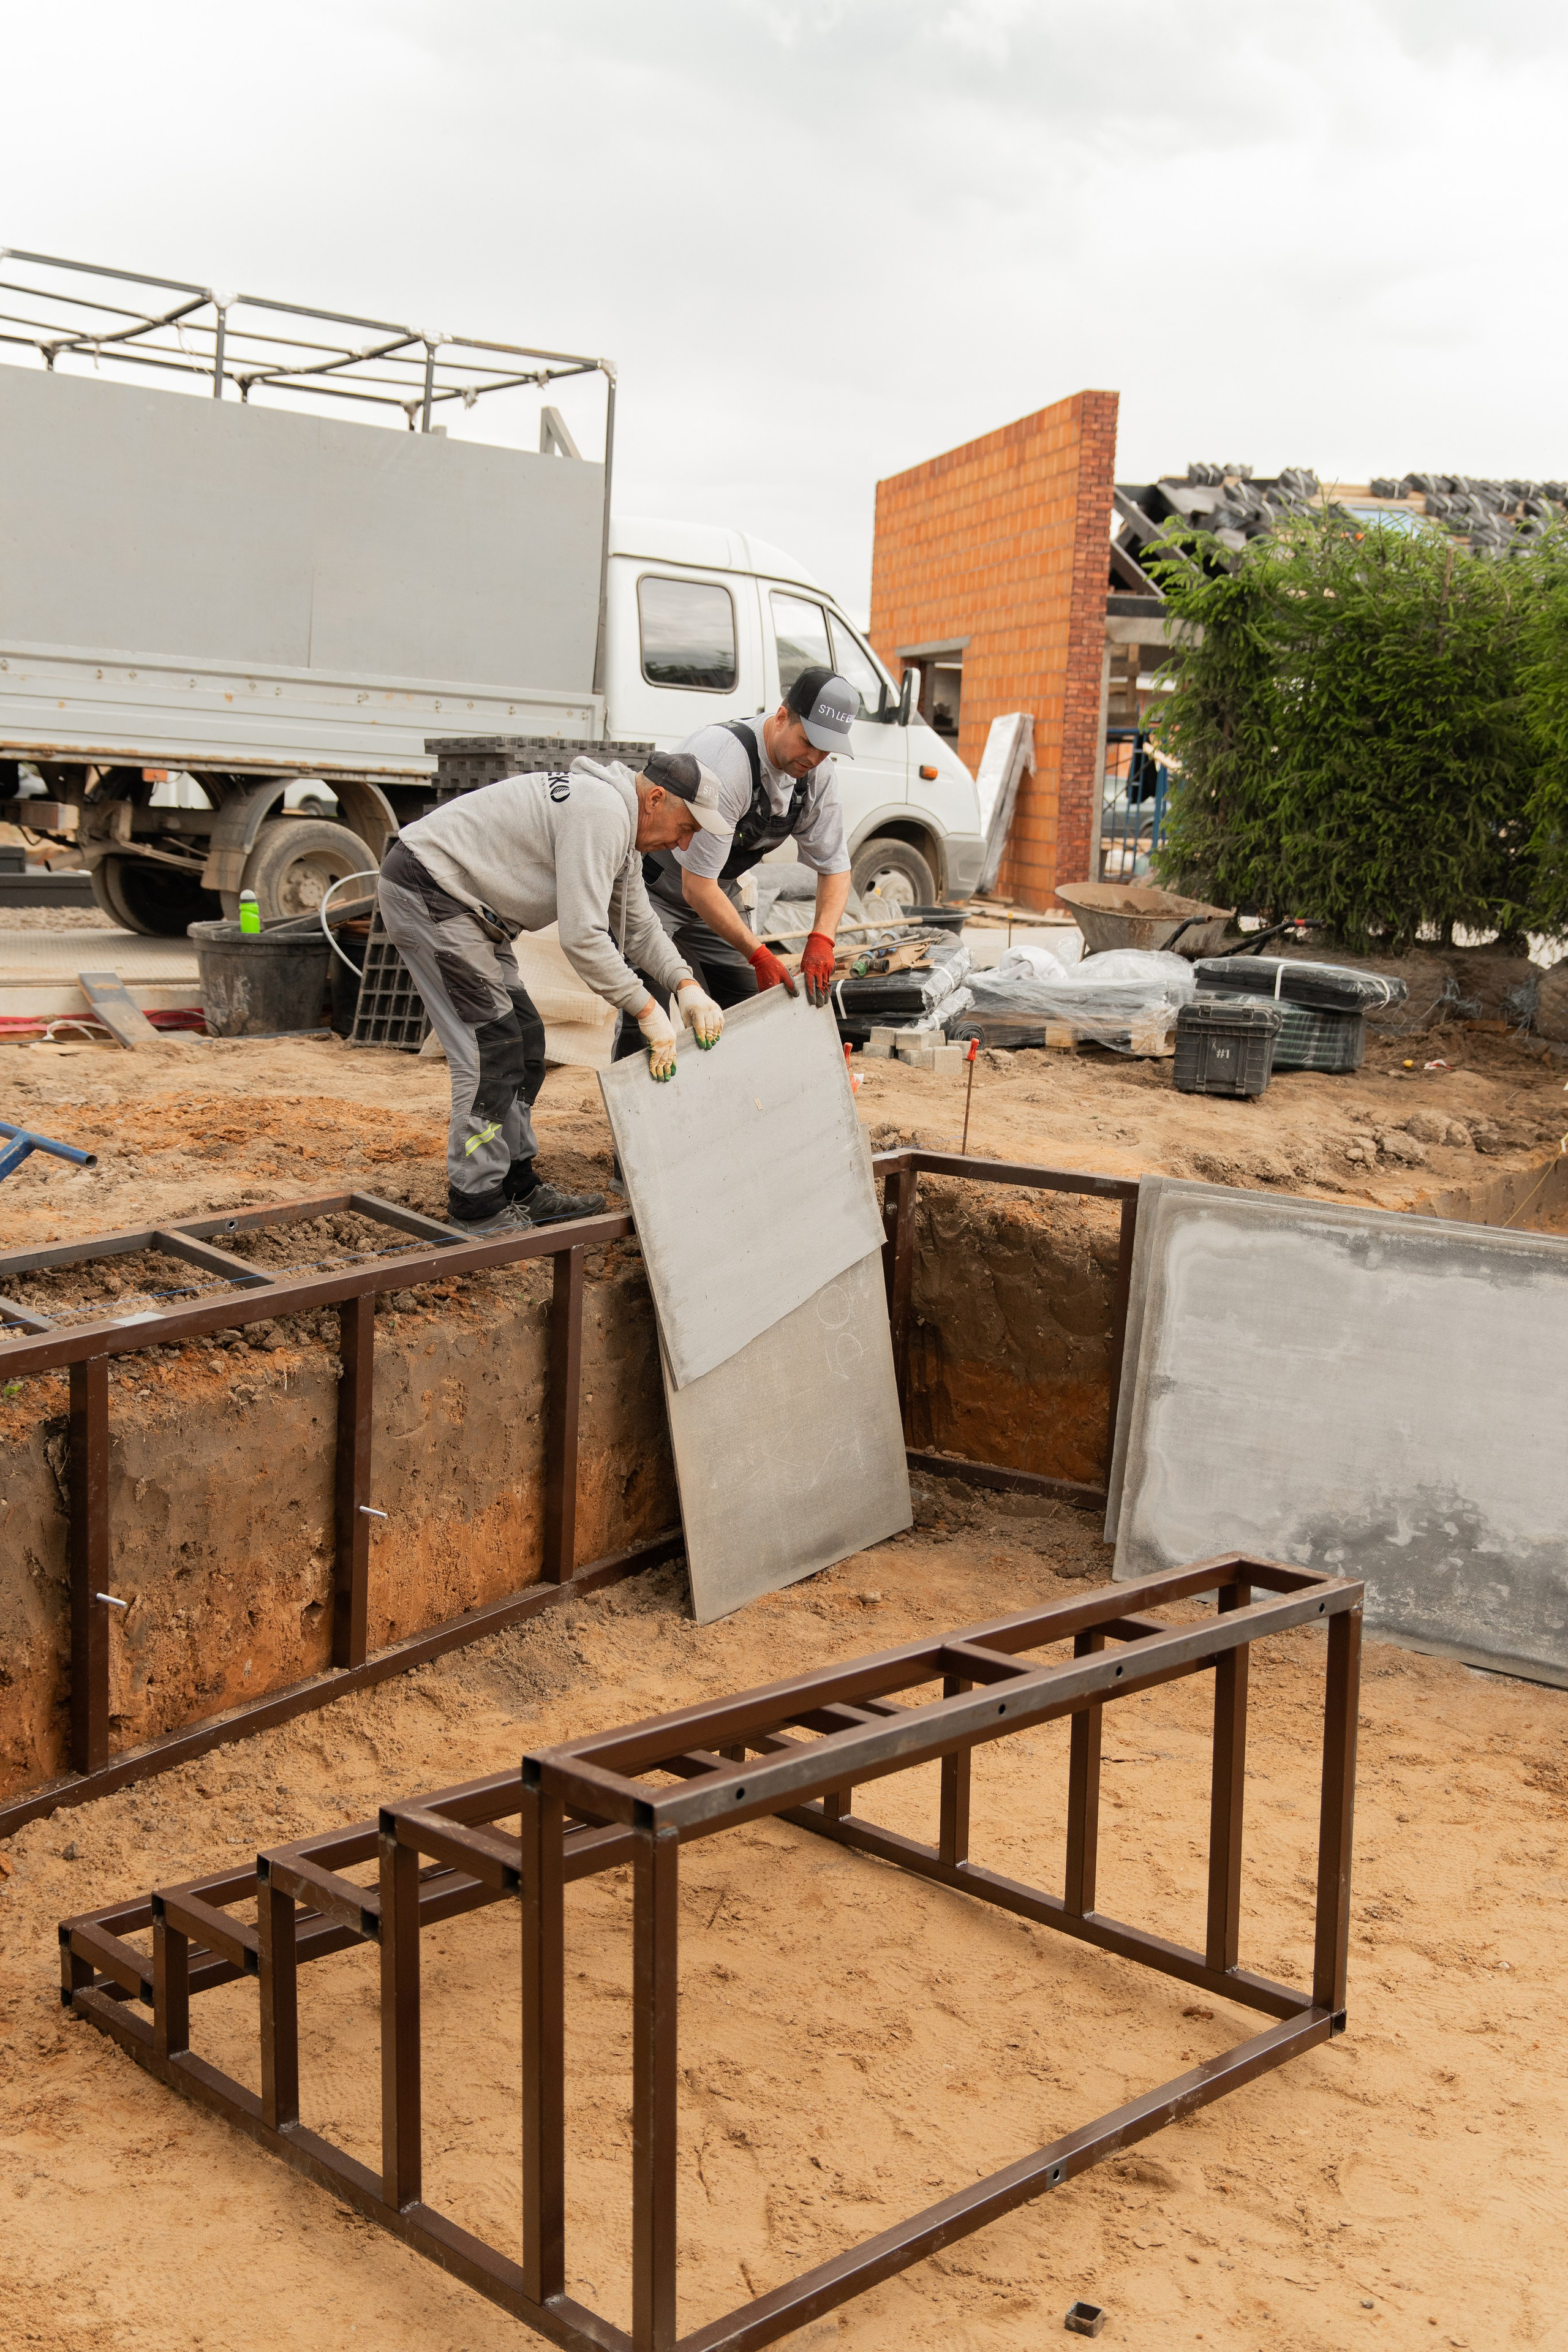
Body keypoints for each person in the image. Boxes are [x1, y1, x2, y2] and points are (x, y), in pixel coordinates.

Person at [380, 751, 731, 1237]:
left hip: (474, 912)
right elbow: (583, 938)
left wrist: (684, 984)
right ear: (656, 799)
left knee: (525, 1039)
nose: (685, 843)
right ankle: (476, 1205)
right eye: (686, 826)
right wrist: (647, 1009)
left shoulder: (621, 830)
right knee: (490, 1048)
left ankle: (516, 1185)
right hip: (432, 892)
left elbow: (638, 927)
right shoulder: (603, 814)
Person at [613, 664, 858, 1053]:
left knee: (749, 1012)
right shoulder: (730, 761)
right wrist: (759, 954)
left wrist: (822, 939)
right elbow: (696, 887)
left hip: (718, 892)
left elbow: (836, 868)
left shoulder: (816, 776)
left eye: (826, 748)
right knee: (650, 1016)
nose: (814, 757)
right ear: (782, 717)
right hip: (656, 890)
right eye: (807, 741)